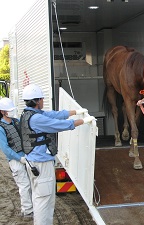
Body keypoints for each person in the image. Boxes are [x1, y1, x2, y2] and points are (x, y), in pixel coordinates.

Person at [19, 84, 95, 225]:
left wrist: (75, 111)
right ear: (36, 101)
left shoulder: (28, 114)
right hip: (41, 165)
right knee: (45, 201)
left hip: (35, 163)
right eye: (41, 99)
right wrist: (83, 121)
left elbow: (54, 114)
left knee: (39, 198)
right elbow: (58, 124)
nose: (43, 101)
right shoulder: (36, 119)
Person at [0, 97, 33, 218]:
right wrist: (19, 158)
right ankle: (27, 210)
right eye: (9, 110)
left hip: (25, 156)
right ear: (3, 111)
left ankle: (31, 207)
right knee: (24, 185)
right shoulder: (1, 128)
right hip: (16, 160)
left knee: (31, 184)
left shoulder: (16, 121)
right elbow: (5, 149)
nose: (11, 112)